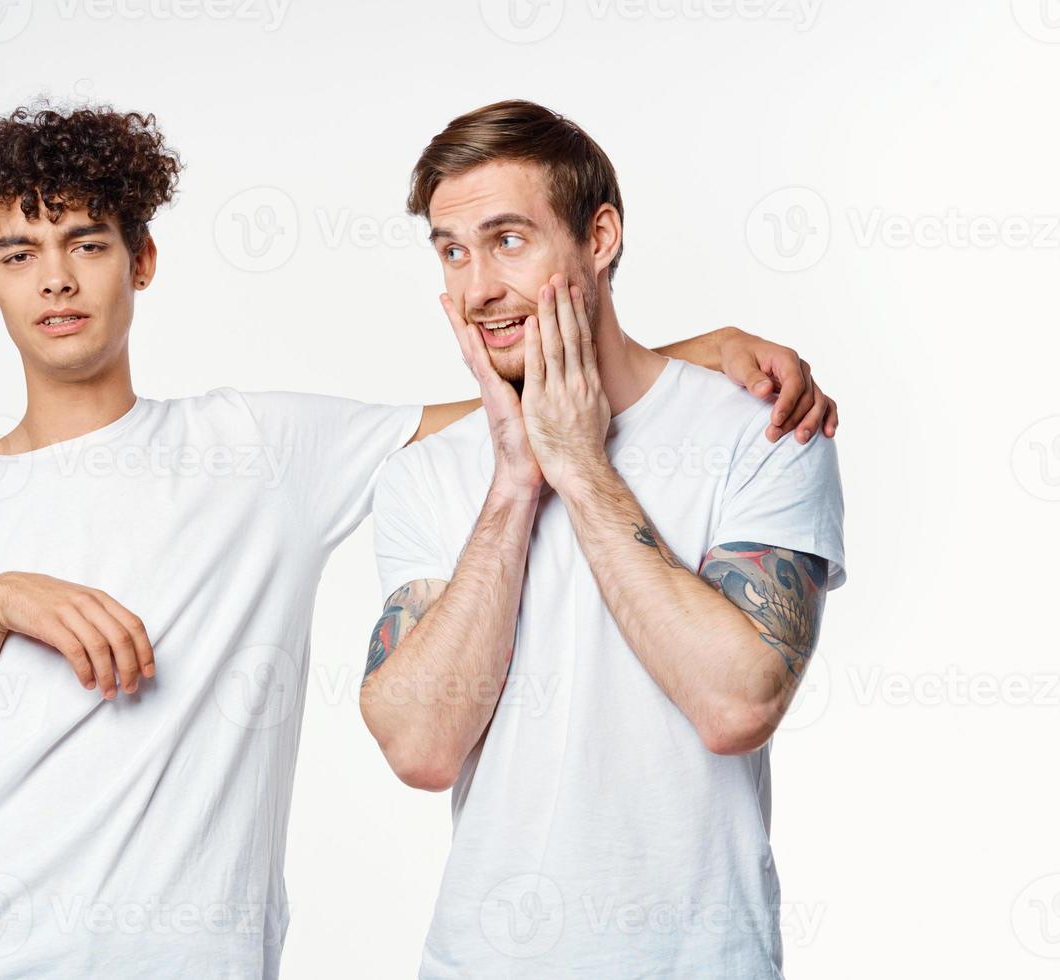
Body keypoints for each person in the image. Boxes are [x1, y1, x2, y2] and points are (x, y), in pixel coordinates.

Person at [0, 101, 837, 978]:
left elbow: (508, 401)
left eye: (87, 242)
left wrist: (686, 357)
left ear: (141, 259)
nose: (55, 281)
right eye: (19, 253)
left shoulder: (261, 451)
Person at [362, 99, 847, 978]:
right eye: (451, 250)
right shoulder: (425, 473)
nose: (476, 288)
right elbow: (419, 747)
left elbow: (737, 705)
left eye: (508, 239)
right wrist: (517, 480)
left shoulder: (761, 429)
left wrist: (580, 466)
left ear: (601, 237)